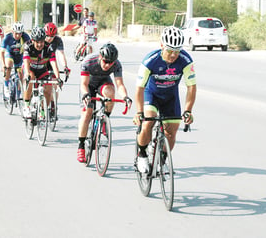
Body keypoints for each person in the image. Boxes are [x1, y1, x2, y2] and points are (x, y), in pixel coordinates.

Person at [132, 26, 196, 173]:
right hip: (151, 94)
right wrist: (139, 112)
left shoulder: (185, 60)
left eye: (177, 51)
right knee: (149, 121)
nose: (173, 55)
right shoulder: (150, 60)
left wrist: (188, 110)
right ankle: (141, 155)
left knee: (172, 132)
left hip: (170, 96)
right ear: (162, 45)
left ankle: (162, 160)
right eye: (170, 50)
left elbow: (191, 87)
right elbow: (139, 88)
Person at [77, 43, 132, 163]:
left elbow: (120, 85)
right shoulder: (89, 61)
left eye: (110, 62)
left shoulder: (116, 64)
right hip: (88, 85)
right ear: (100, 57)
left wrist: (125, 97)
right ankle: (81, 145)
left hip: (103, 82)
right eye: (105, 61)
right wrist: (86, 95)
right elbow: (83, 84)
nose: (107, 65)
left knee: (111, 94)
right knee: (87, 113)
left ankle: (104, 119)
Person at [22, 27, 63, 118]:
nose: (40, 44)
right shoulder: (27, 46)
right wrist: (27, 74)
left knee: (48, 90)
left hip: (42, 70)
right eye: (37, 42)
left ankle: (43, 111)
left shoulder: (49, 48)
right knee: (30, 78)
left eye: (42, 41)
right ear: (33, 40)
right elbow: (26, 61)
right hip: (31, 68)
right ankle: (27, 106)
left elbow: (53, 63)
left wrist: (58, 77)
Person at [1, 22, 30, 97]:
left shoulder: (26, 37)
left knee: (20, 75)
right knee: (9, 66)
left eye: (20, 33)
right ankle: (6, 85)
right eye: (16, 33)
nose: (18, 35)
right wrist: (3, 65)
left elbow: (30, 50)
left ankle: (19, 93)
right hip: (10, 53)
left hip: (19, 55)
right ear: (12, 32)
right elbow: (2, 52)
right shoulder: (7, 37)